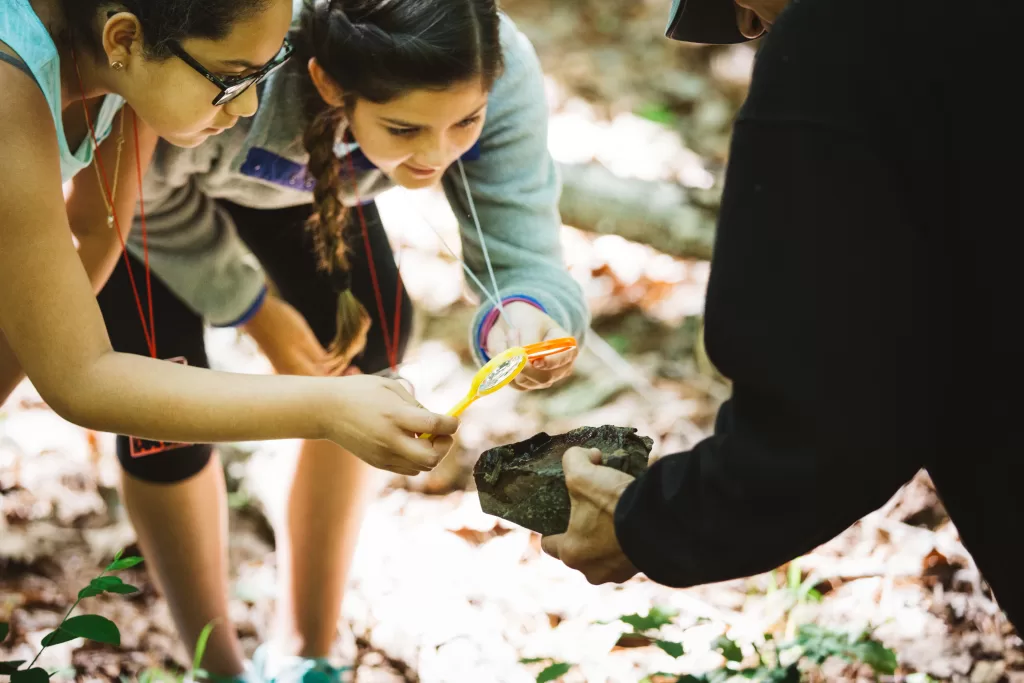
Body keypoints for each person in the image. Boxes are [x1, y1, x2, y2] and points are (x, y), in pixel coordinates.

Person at [98, 0, 588, 679]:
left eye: (465, 123)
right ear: (330, 84)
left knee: (370, 353)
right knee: (158, 419)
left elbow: (524, 246)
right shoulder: (244, 65)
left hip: (311, 189)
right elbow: (141, 200)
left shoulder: (497, 69)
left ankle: (305, 647)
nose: (436, 155)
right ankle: (218, 665)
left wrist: (528, 313)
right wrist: (252, 307)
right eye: (405, 128)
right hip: (158, 205)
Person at [541, 0, 1024, 631]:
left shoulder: (844, 38)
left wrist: (646, 522)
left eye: (735, 3)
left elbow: (835, 416)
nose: (747, 25)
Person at [0, 3, 457, 479]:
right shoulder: (10, 90)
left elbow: (97, 231)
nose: (248, 108)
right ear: (123, 40)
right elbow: (80, 378)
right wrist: (328, 409)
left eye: (268, 68)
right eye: (231, 79)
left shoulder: (123, 71)